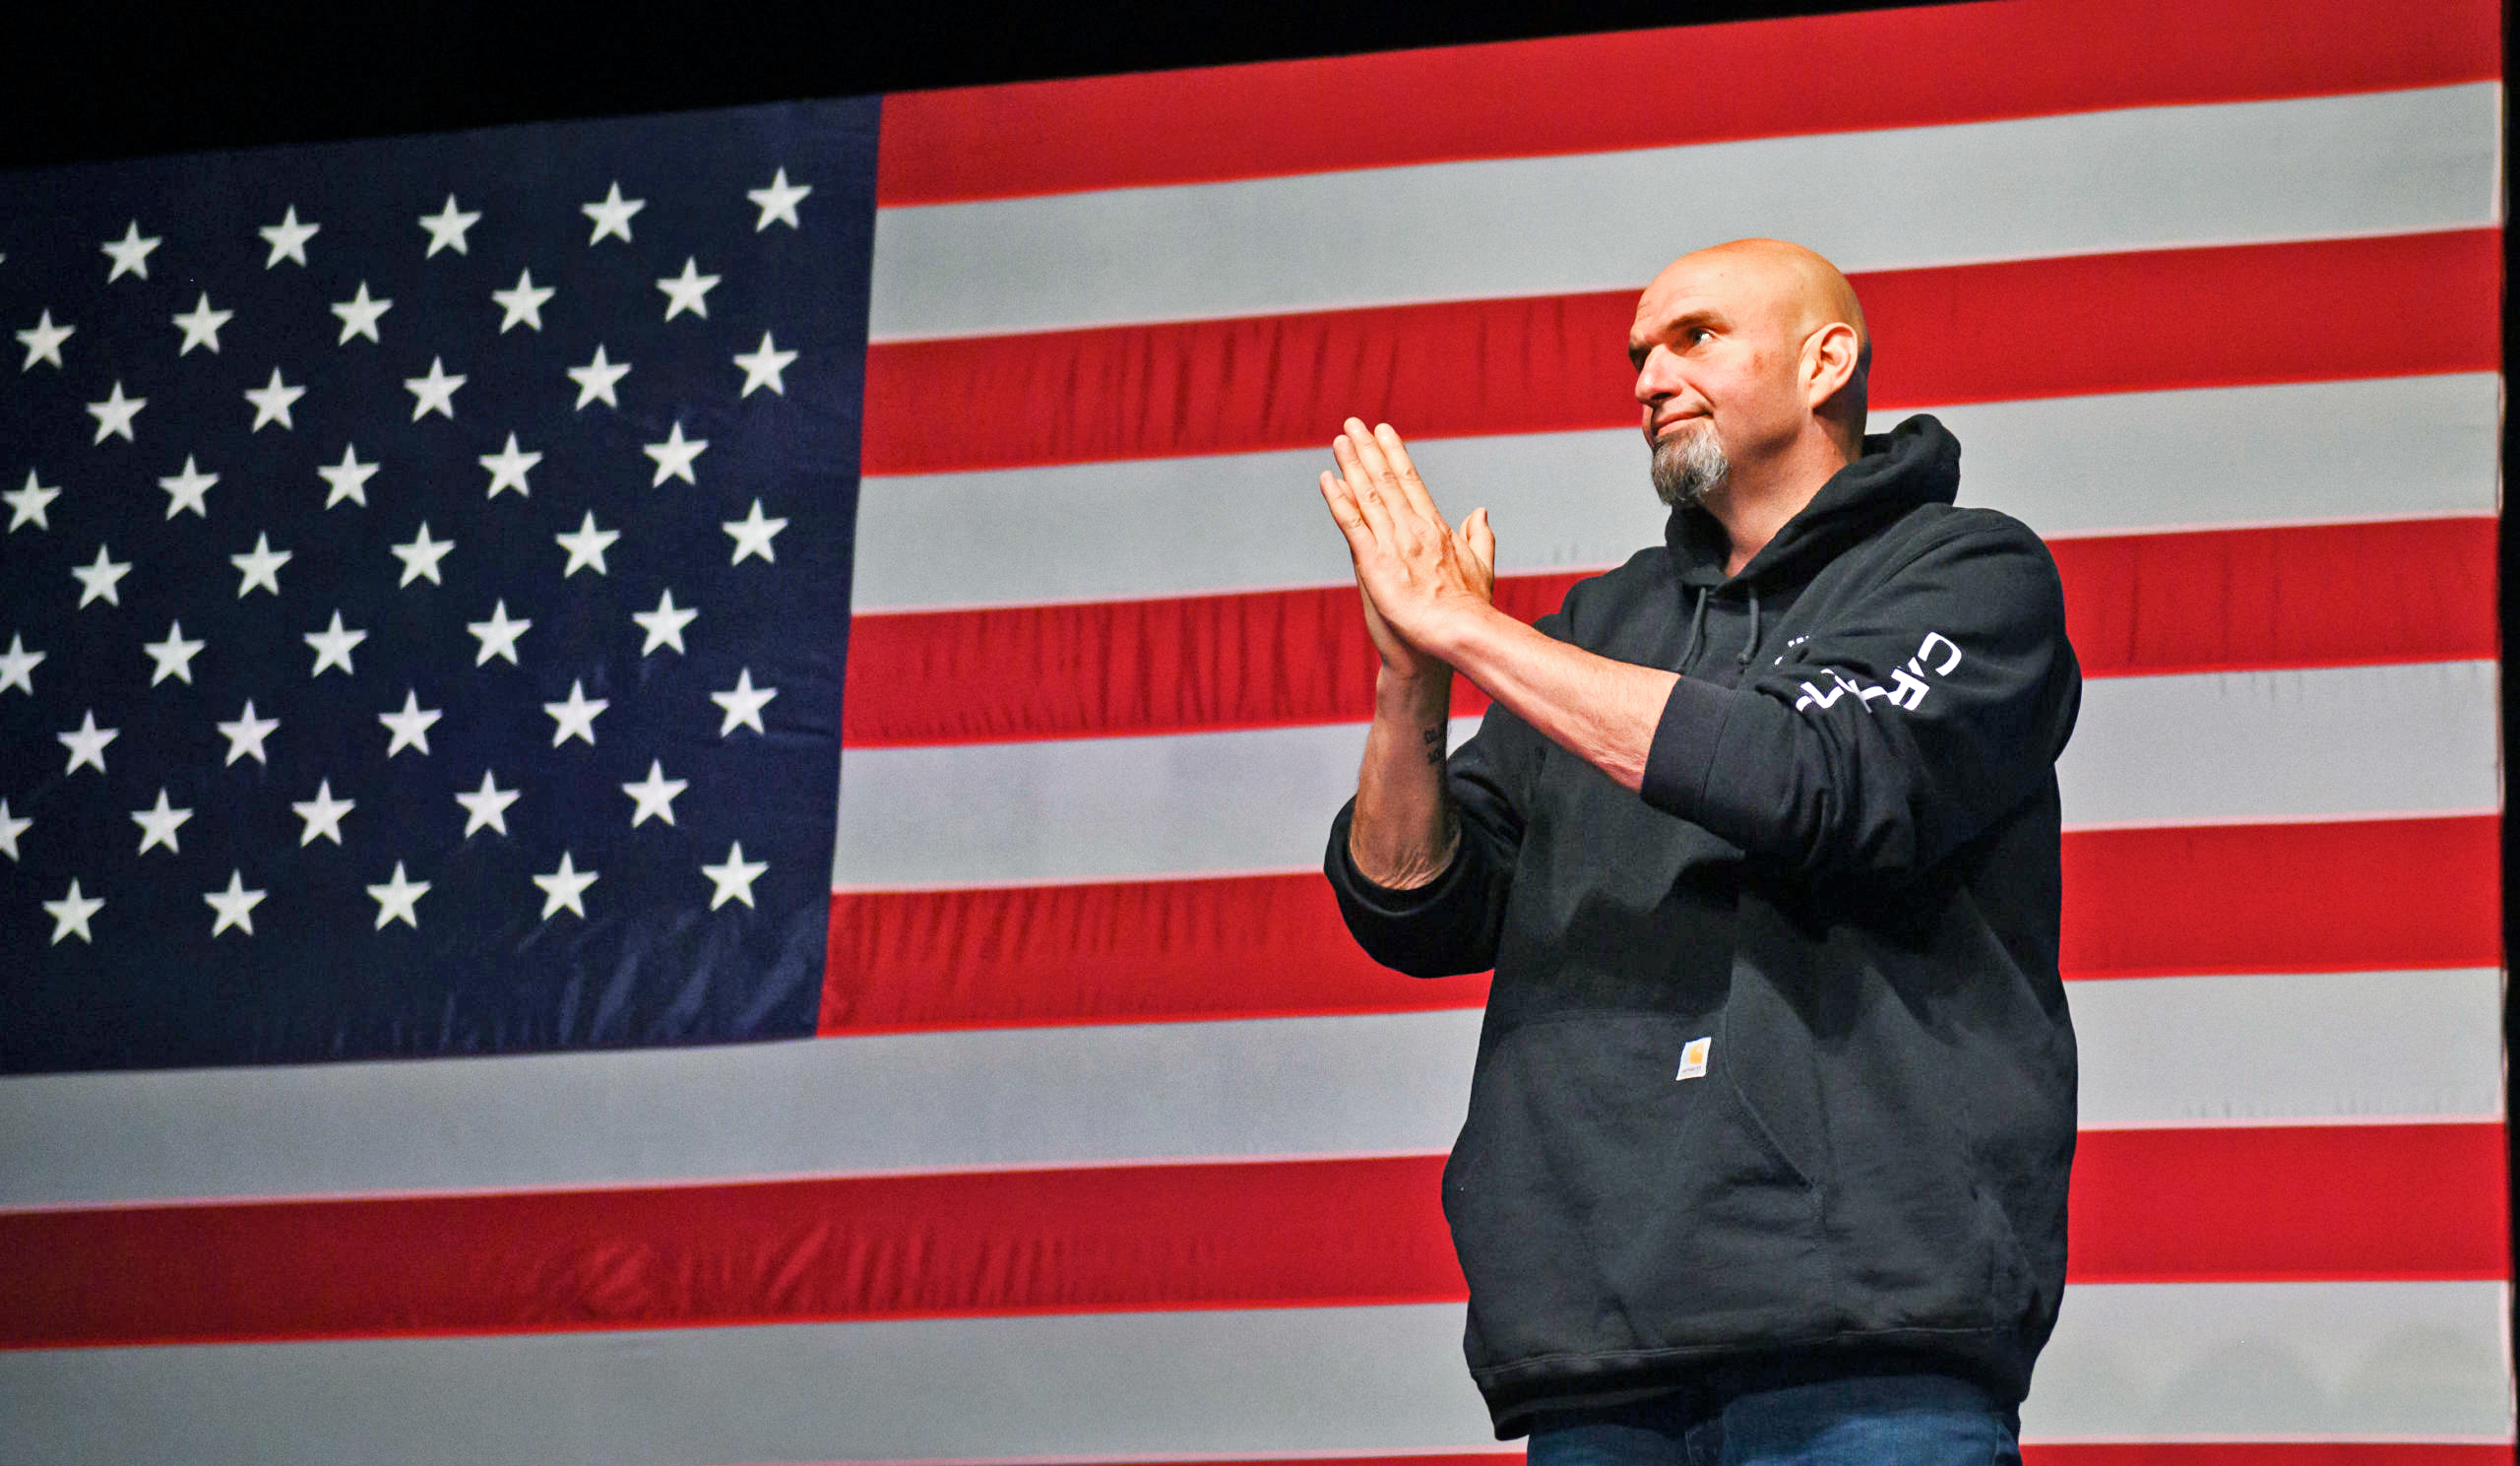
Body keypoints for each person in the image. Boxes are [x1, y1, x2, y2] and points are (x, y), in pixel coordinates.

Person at [1314, 238, 2082, 1464]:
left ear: (1826, 360)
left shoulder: (1968, 575)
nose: (1647, 376)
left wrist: (1470, 628)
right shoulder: (1602, 628)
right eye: (1637, 352)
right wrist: (1413, 677)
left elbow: (1814, 780)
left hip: (1870, 1348)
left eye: (1695, 337)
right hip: (1600, 1355)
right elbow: (1417, 908)